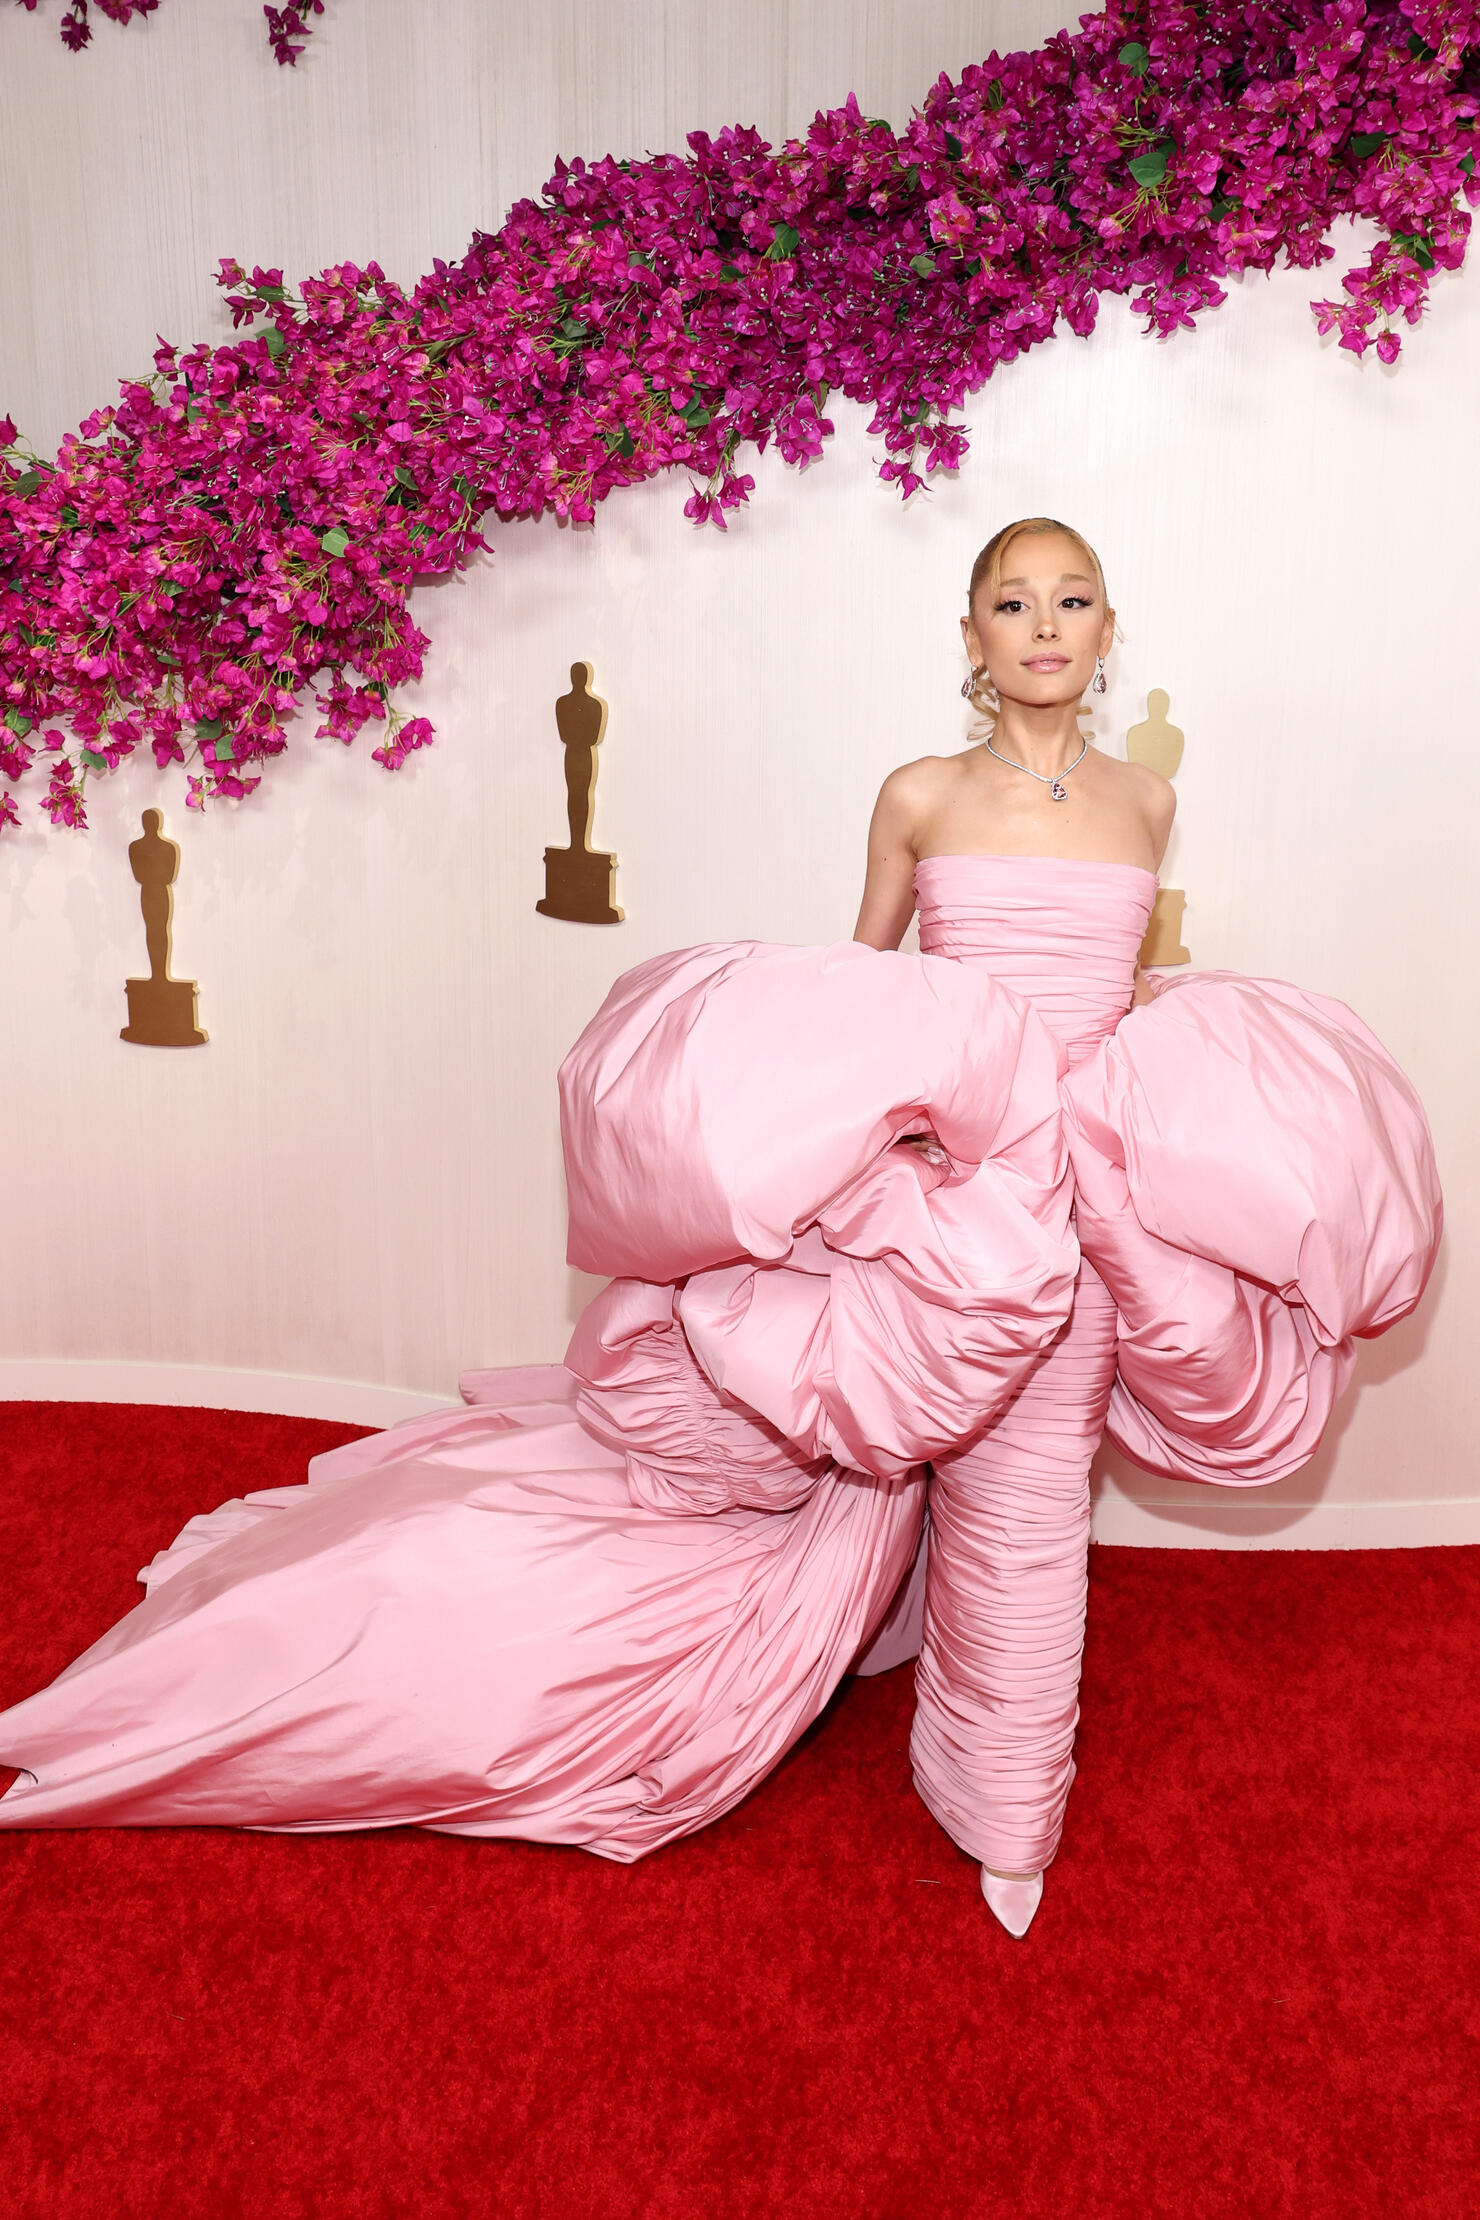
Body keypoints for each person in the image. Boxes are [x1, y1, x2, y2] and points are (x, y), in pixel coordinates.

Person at [0, 519, 1441, 1942]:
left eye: (1074, 601)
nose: (1046, 626)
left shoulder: (1146, 802)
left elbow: (1119, 994)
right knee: (893, 1450)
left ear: (1110, 631)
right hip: (949, 1196)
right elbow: (861, 975)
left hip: (1090, 1203)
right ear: (972, 637)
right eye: (1014, 602)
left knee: (1024, 1502)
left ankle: (1006, 1810)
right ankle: (881, 1649)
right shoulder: (920, 792)